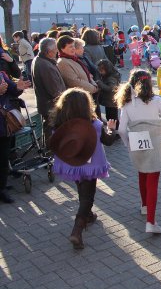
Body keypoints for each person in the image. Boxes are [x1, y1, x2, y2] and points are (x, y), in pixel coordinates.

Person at [48, 88, 118, 249]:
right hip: (89, 164)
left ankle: (88, 215)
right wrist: (111, 129)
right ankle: (77, 230)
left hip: (72, 163)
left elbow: (52, 143)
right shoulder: (95, 124)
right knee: (88, 196)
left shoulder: (59, 125)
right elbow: (108, 141)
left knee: (82, 189)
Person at [116, 70, 161, 234]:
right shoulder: (157, 101)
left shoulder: (127, 104)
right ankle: (151, 222)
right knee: (153, 180)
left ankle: (144, 206)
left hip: (137, 139)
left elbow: (122, 129)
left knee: (142, 172)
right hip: (155, 142)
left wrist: (127, 144)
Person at [0, 72, 30, 203]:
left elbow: (12, 89)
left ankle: (2, 188)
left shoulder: (1, 73)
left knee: (3, 157)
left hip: (3, 124)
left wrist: (18, 87)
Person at [96, 59, 121, 125]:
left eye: (101, 71)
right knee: (110, 117)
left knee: (112, 118)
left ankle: (115, 131)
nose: (100, 72)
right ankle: (113, 129)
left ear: (107, 69)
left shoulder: (111, 78)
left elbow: (111, 88)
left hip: (111, 102)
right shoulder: (109, 75)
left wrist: (100, 84)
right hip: (109, 101)